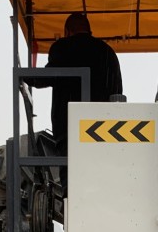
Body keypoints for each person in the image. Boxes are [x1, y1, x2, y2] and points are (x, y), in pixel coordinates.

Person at [30, 12, 123, 153]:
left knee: (69, 166)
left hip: (69, 132)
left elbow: (45, 77)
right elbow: (118, 92)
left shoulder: (62, 48)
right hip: (104, 131)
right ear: (90, 31)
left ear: (67, 31)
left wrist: (25, 76)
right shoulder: (108, 53)